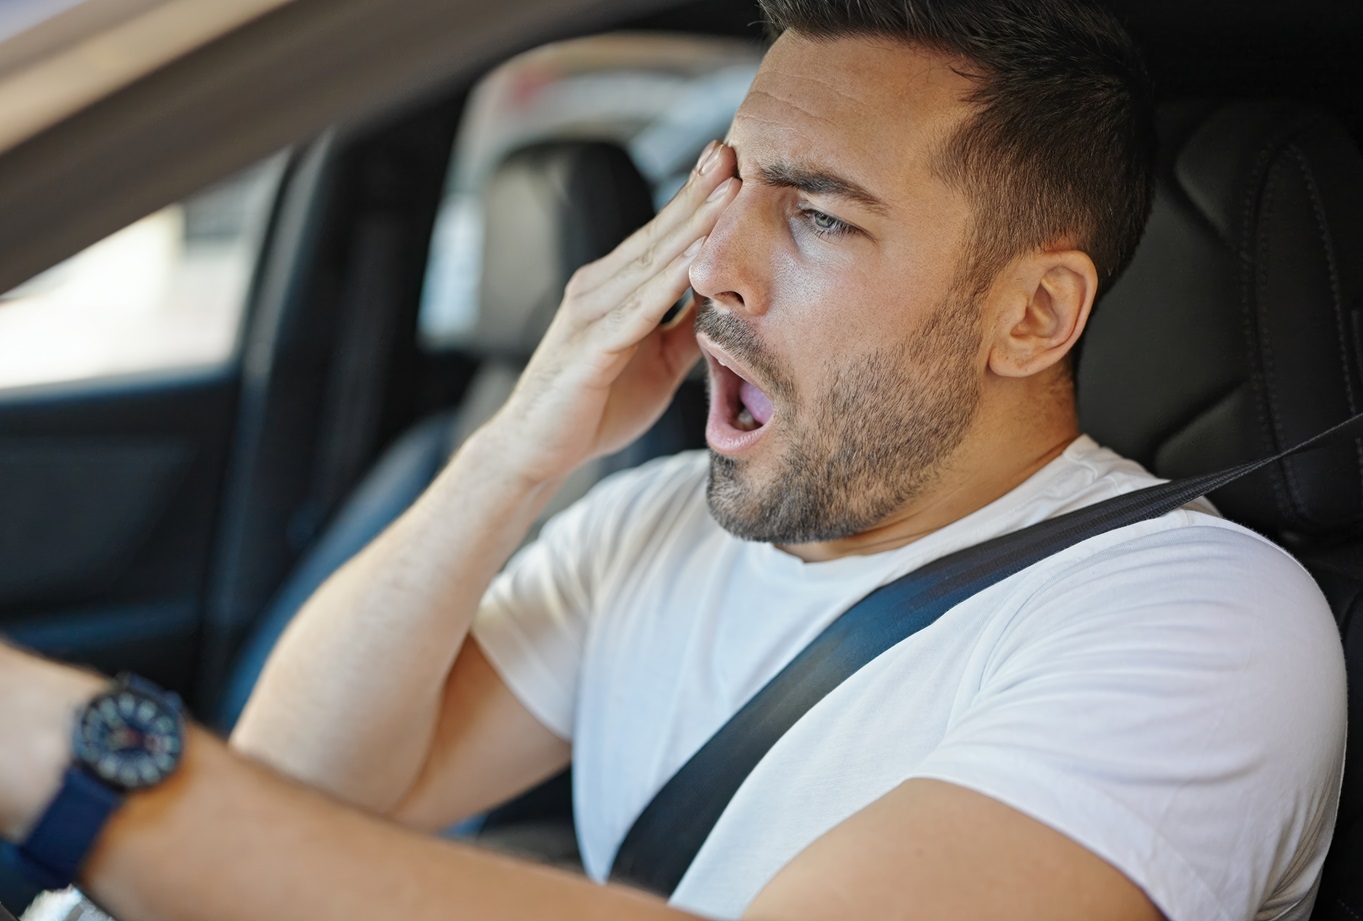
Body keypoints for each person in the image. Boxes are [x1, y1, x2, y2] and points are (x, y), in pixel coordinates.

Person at [0, 1, 1347, 919]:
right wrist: (517, 451)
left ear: (1033, 314)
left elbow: (244, 835)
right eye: (725, 186)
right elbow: (301, 791)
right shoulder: (651, 523)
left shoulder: (1206, 625)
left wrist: (73, 759)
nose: (709, 265)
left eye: (817, 215)